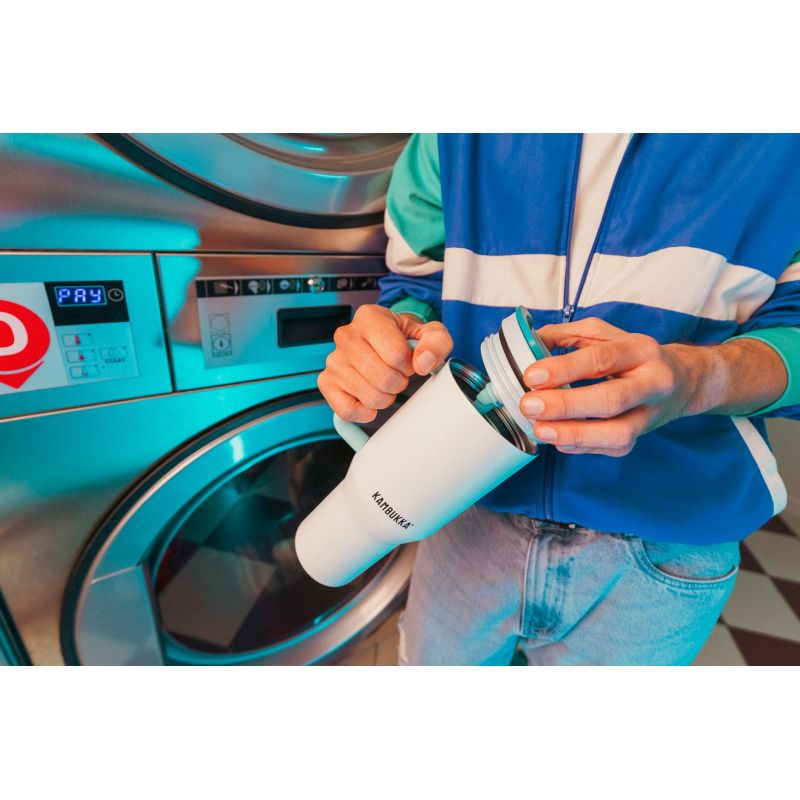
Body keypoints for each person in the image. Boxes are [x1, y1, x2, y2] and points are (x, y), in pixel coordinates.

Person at [317, 134, 800, 665]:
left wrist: (700, 378)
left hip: (663, 551)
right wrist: (395, 340)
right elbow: (419, 283)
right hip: (463, 508)